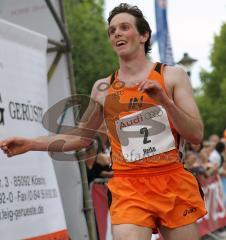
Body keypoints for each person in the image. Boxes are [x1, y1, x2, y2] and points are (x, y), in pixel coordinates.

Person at [0, 3, 206, 240]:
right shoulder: (103, 88)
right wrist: (30, 144)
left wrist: (165, 102)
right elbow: (79, 137)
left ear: (143, 35)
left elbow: (196, 135)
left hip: (172, 181)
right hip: (129, 187)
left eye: (124, 27)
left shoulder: (171, 76)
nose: (116, 33)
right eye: (112, 30)